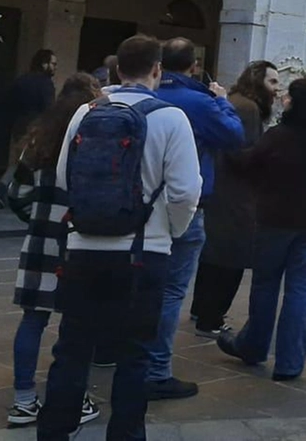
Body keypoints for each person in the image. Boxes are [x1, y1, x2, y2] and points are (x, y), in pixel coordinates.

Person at [36, 35, 201, 440]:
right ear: (158, 69)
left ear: (116, 70)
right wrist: (171, 231)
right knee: (135, 355)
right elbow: (185, 191)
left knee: (72, 349)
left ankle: (54, 432)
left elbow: (63, 178)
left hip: (82, 248)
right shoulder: (171, 117)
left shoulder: (84, 112)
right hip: (144, 252)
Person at [217, 79, 306, 381]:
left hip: (277, 219)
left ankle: (254, 346)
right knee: (299, 288)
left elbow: (247, 163)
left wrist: (229, 146)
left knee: (266, 284)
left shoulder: (280, 136)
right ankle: (290, 361)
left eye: (289, 96)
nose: (283, 99)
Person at [148, 37, 244, 400]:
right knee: (171, 290)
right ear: (194, 65)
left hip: (138, 205)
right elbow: (234, 136)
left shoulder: (147, 96)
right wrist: (222, 100)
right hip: (186, 205)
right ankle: (157, 369)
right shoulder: (200, 101)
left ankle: (110, 351)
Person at [4, 74, 103, 427]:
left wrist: (39, 218)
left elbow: (15, 194)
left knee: (33, 320)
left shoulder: (39, 141)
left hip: (40, 241)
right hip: (79, 240)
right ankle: (73, 397)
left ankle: (23, 400)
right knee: (77, 325)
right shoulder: (91, 139)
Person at [190, 60, 278, 338]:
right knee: (232, 256)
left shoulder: (236, 102)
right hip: (235, 192)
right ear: (258, 82)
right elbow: (245, 153)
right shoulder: (249, 109)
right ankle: (212, 317)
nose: (277, 89)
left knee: (214, 254)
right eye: (272, 82)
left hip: (220, 187)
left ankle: (201, 309)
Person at [0, 49, 57, 204]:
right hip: (36, 126)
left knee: (21, 158)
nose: (55, 67)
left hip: (19, 124)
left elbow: (8, 102)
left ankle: (5, 187)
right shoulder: (45, 84)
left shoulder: (22, 80)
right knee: (30, 161)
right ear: (44, 64)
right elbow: (49, 108)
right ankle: (6, 188)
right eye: (53, 64)